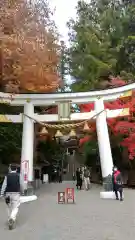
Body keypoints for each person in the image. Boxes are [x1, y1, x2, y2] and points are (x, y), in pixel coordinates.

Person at [0, 165, 24, 230]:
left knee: (8, 207)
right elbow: (21, 184)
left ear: (10, 169)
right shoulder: (19, 176)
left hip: (7, 194)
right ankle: (12, 218)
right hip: (16, 194)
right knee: (15, 207)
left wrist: (1, 194)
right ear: (16, 169)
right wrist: (22, 192)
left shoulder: (7, 176)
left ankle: (9, 219)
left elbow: (4, 185)